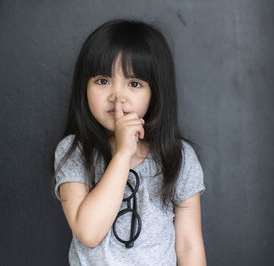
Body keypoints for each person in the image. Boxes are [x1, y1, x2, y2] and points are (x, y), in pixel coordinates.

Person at [51, 19, 206, 265]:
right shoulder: (74, 151)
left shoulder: (178, 157)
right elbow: (88, 233)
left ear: (155, 93)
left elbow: (189, 246)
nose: (117, 96)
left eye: (134, 84)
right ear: (84, 86)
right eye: (103, 81)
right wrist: (123, 153)